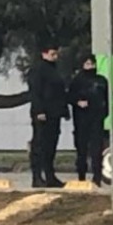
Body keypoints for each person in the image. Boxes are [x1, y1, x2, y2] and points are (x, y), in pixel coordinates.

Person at [28, 43, 69, 188]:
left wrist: (64, 110)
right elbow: (35, 92)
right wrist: (39, 111)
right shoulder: (38, 70)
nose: (55, 57)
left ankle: (50, 176)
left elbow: (60, 91)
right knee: (39, 145)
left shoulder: (55, 70)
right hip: (42, 114)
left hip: (54, 113)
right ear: (44, 54)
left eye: (56, 54)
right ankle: (36, 176)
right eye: (52, 54)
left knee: (51, 146)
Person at [67, 54, 109, 187]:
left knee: (97, 149)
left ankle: (97, 177)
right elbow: (69, 96)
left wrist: (103, 112)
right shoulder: (77, 81)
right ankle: (81, 176)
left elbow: (106, 99)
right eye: (87, 64)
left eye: (92, 64)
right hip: (81, 120)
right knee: (82, 149)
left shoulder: (101, 81)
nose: (90, 66)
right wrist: (77, 102)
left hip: (97, 119)